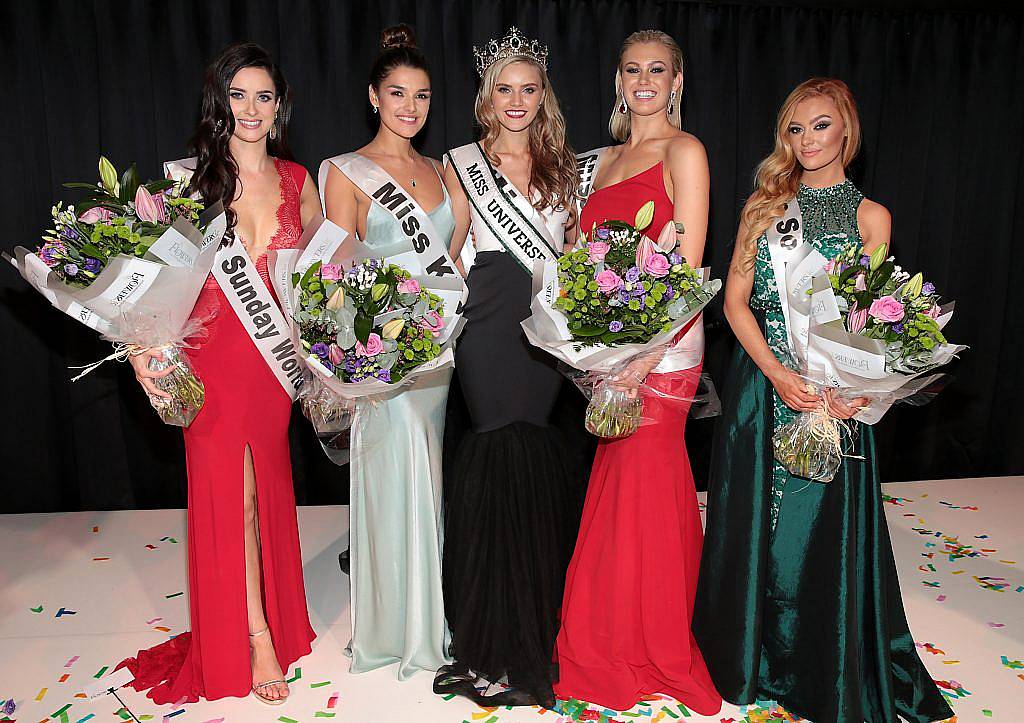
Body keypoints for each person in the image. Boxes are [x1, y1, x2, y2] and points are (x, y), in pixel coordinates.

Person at [693, 77, 956, 723]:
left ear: (847, 131)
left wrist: (847, 388)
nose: (807, 139)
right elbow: (733, 301)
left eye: (820, 125)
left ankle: (814, 664)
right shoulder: (764, 205)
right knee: (757, 528)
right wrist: (778, 374)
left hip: (832, 397)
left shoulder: (872, 217)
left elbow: (864, 319)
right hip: (764, 388)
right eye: (795, 128)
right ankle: (750, 660)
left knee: (816, 538)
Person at [119, 43, 320, 705]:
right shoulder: (187, 183)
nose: (252, 109)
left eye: (264, 95)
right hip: (209, 364)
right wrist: (140, 351)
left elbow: (321, 281)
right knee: (231, 497)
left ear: (279, 104)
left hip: (271, 368)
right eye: (239, 95)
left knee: (264, 489)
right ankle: (256, 631)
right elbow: (141, 286)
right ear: (219, 103)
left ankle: (267, 615)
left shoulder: (298, 180)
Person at [552, 30, 721, 716]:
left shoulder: (686, 151)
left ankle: (653, 642)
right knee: (618, 484)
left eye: (658, 70)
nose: (644, 80)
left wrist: (643, 355)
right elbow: (583, 253)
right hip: (611, 347)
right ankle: (610, 634)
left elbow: (690, 265)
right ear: (618, 81)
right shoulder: (603, 160)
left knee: (648, 479)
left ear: (677, 81)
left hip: (666, 346)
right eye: (633, 70)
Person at [435, 26, 581, 709]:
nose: (517, 100)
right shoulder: (458, 164)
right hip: (489, 317)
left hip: (544, 321)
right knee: (493, 451)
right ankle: (485, 641)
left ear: (541, 96)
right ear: (485, 99)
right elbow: (450, 254)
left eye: (529, 88)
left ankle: (531, 631)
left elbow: (573, 254)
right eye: (505, 89)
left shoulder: (563, 167)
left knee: (533, 455)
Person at [319, 24, 455, 680]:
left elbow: (456, 261)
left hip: (441, 353)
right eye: (397, 93)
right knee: (391, 474)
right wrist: (370, 345)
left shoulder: (444, 169)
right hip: (383, 354)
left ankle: (428, 622)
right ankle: (393, 630)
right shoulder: (347, 171)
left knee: (428, 476)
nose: (410, 106)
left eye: (422, 95)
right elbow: (335, 272)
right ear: (373, 96)